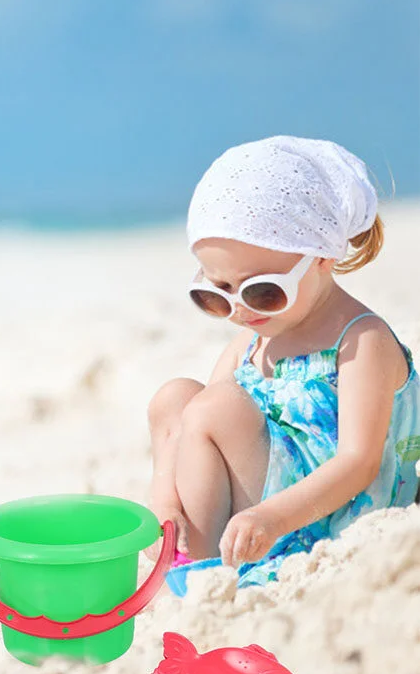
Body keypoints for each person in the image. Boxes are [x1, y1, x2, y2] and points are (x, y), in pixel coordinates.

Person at [147, 136, 419, 588]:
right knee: (175, 397)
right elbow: (196, 432)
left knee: (214, 409)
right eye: (215, 295)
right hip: (253, 515)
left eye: (262, 291)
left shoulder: (360, 341)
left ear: (322, 257)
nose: (240, 309)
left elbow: (359, 462)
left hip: (317, 515)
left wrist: (272, 518)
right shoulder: (250, 340)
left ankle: (199, 566)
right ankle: (174, 531)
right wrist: (165, 492)